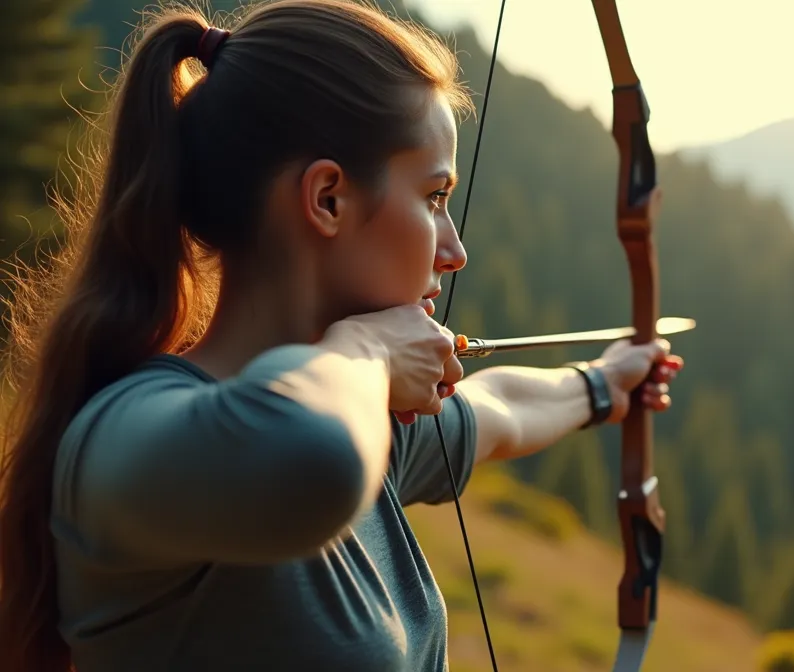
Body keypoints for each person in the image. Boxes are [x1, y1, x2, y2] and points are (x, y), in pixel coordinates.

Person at [0, 1, 683, 671]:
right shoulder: (131, 441)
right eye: (434, 199)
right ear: (328, 198)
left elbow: (498, 409)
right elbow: (311, 452)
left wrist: (604, 383)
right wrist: (374, 352)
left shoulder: (358, 415)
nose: (455, 251)